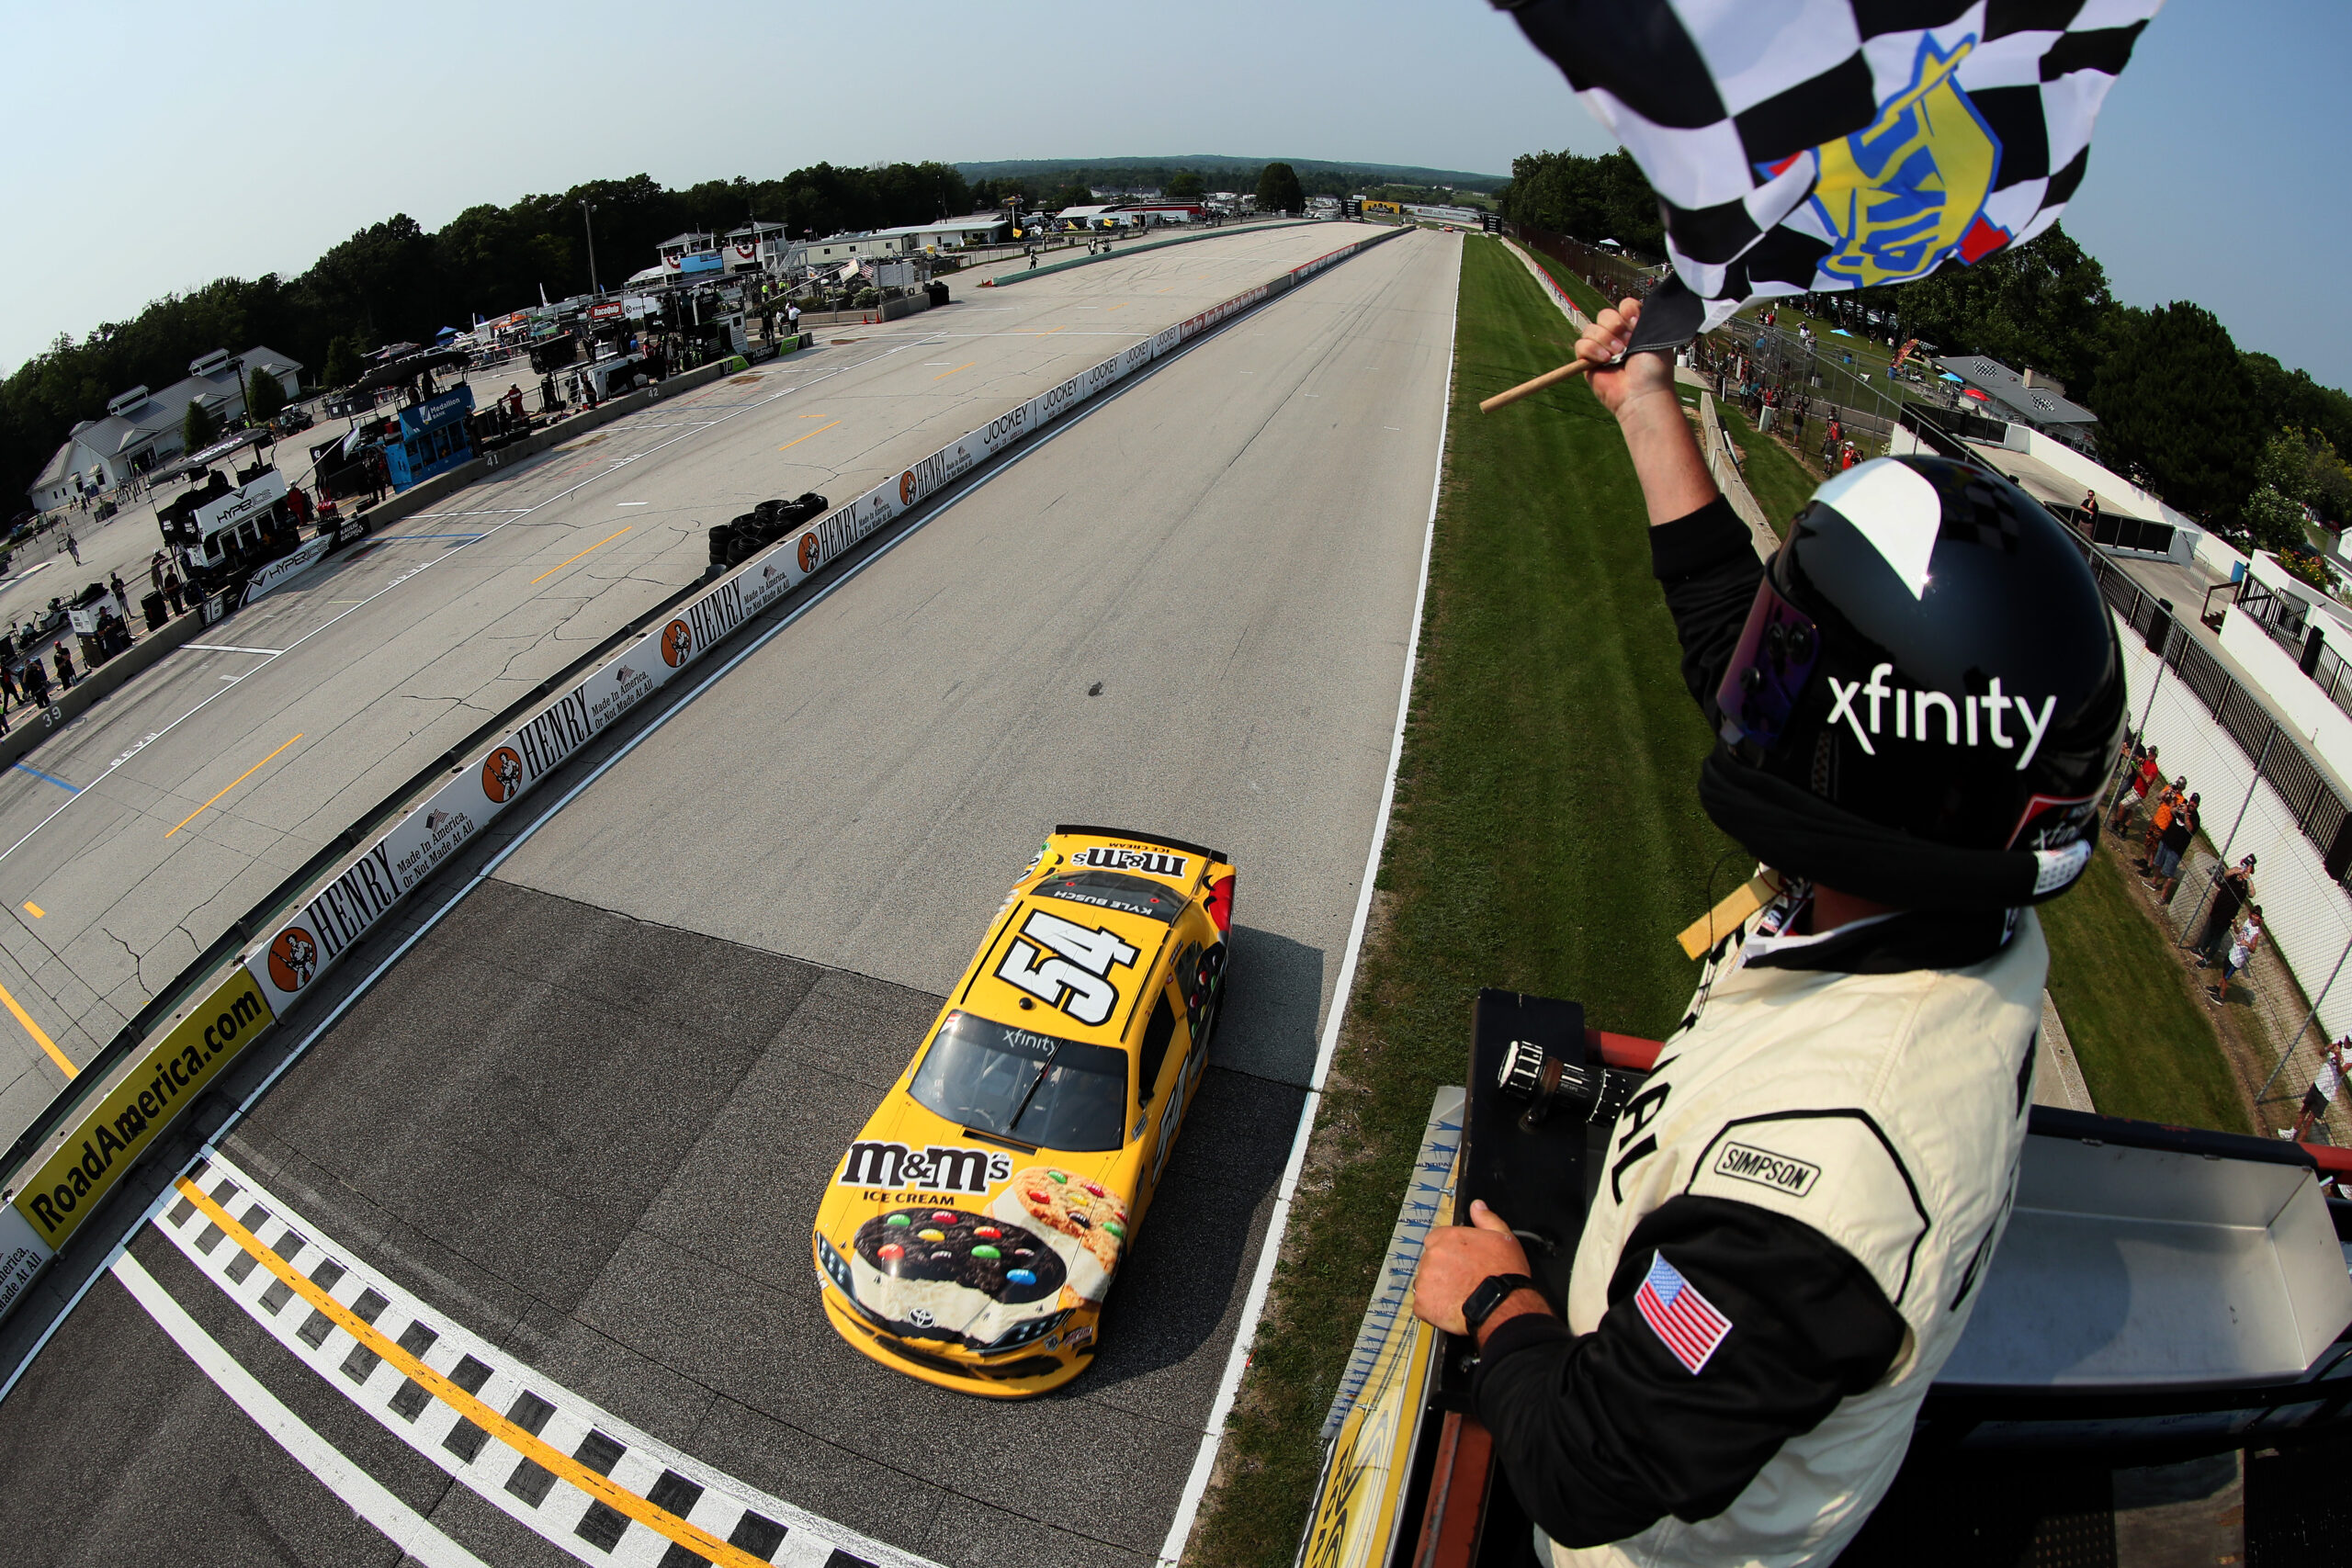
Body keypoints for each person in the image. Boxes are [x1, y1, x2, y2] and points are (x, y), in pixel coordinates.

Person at [1411, 289, 2124, 1567]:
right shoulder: (1945, 906)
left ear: (1866, 756)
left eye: (1790, 671)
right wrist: (1647, 402)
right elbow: (1736, 657)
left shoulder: (1824, 1173)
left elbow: (1591, 1467)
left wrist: (1496, 1299)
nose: (1754, 684)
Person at [2193, 854, 2256, 965]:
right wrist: (2235, 871)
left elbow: (2252, 894)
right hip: (2219, 907)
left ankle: (2207, 959)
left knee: (2217, 937)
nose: (2244, 867)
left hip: (2228, 915)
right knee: (2210, 930)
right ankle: (2202, 949)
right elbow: (2225, 875)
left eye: (2247, 866)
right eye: (2244, 864)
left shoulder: (2246, 883)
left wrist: (2247, 878)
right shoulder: (2234, 873)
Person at [2286, 1037, 2346, 1142]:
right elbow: (2321, 1053)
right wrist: (2328, 1048)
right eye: (2347, 1039)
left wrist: (2337, 1058)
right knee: (2304, 1109)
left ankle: (2298, 1144)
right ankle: (2292, 1132)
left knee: (2310, 1120)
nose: (2347, 1042)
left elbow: (2341, 1073)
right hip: (2319, 1083)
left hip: (2327, 1093)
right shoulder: (2337, 1042)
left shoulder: (2350, 1057)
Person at [2212, 906, 2264, 1004]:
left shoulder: (2256, 932)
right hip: (2234, 950)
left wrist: (2247, 944)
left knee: (2226, 977)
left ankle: (2221, 997)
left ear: (2259, 919)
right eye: (2253, 914)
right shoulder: (2248, 922)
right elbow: (2238, 932)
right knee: (2224, 971)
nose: (2254, 917)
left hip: (2238, 958)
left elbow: (2253, 949)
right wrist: (2235, 925)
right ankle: (2217, 987)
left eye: (2257, 916)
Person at [2152, 793, 2198, 900]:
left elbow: (2190, 829)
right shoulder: (2183, 806)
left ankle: (2163, 897)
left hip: (2176, 849)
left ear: (2197, 805)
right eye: (2192, 800)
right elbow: (2172, 811)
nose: (2192, 803)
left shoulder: (2196, 818)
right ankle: (2153, 883)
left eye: (2195, 803)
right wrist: (2177, 808)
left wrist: (2186, 814)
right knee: (2158, 863)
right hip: (2166, 840)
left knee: (2169, 874)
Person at [2111, 744, 2161, 832]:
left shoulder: (2154, 769)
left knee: (2122, 805)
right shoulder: (2146, 762)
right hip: (2136, 788)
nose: (2150, 754)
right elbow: (2138, 766)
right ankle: (2124, 831)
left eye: (2152, 753)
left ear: (2155, 756)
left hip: (2139, 793)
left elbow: (2148, 780)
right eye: (2149, 752)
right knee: (2131, 810)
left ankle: (2116, 824)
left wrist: (2141, 772)